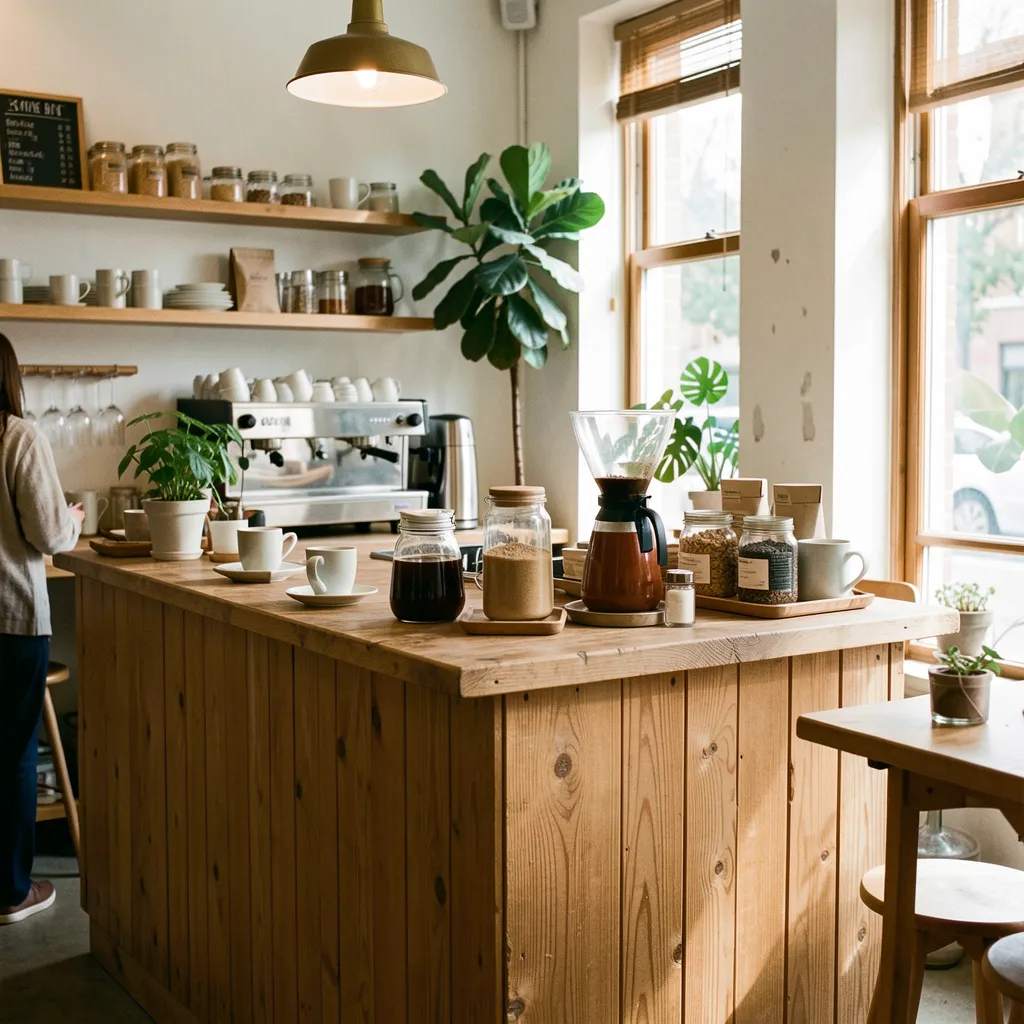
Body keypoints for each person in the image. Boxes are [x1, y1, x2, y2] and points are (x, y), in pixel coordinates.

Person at [0, 334, 83, 925]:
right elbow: (51, 535)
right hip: (11, 620)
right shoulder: (18, 436)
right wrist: (74, 517)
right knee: (13, 756)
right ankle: (11, 891)